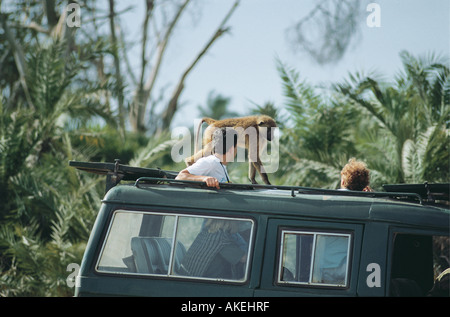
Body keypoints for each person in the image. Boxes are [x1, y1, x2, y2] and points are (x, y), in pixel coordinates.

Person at [180, 218, 247, 280]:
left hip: (186, 276)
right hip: (200, 283)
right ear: (231, 223)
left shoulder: (206, 232)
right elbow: (244, 259)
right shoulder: (222, 240)